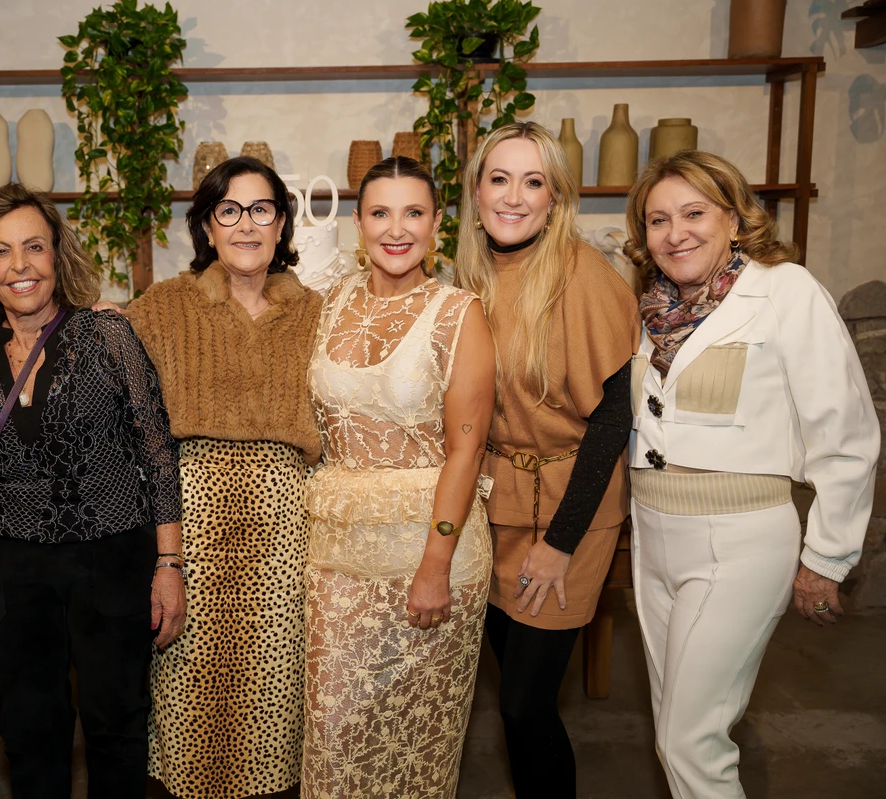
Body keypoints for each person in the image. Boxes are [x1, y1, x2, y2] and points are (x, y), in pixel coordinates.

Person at [623, 150, 879, 799]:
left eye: (694, 213)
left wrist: (826, 556)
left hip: (737, 538)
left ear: (735, 220)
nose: (675, 232)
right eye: (658, 220)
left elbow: (846, 434)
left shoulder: (784, 291)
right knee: (673, 729)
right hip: (653, 534)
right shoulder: (648, 309)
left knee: (692, 739)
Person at [0, 183, 184, 798]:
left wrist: (169, 564)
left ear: (58, 255)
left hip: (111, 557)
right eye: (1, 251)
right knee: (29, 729)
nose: (20, 265)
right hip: (12, 565)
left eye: (34, 246)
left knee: (116, 724)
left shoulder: (108, 336)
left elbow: (156, 453)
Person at [120, 156, 323, 798]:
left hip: (285, 528)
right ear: (207, 226)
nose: (245, 225)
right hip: (190, 523)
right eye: (227, 210)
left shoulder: (317, 313)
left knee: (273, 684)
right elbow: (104, 371)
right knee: (183, 681)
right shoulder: (163, 306)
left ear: (283, 222)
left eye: (261, 209)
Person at [302, 156, 495, 797]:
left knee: (412, 753)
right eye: (381, 213)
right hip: (333, 554)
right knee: (333, 736)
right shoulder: (329, 304)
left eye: (413, 213)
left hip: (430, 553)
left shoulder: (459, 313)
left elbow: (466, 451)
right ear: (358, 224)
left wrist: (436, 563)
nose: (396, 229)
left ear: (437, 223)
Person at [456, 122, 640, 797]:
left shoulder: (584, 278)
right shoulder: (470, 275)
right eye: (499, 179)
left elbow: (611, 419)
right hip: (496, 500)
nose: (514, 197)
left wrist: (560, 544)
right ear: (476, 193)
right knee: (515, 693)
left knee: (523, 704)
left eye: (534, 182)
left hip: (570, 507)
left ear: (557, 199)